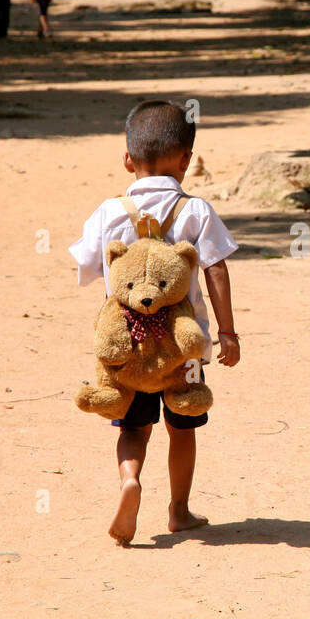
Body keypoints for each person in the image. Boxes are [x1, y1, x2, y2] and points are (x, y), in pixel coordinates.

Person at [68, 100, 240, 546]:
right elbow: (216, 269)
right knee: (183, 422)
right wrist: (227, 333)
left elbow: (85, 266)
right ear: (186, 161)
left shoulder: (109, 212)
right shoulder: (196, 211)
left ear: (128, 158)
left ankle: (130, 480)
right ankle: (179, 511)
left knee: (132, 425)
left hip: (129, 347)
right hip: (184, 347)